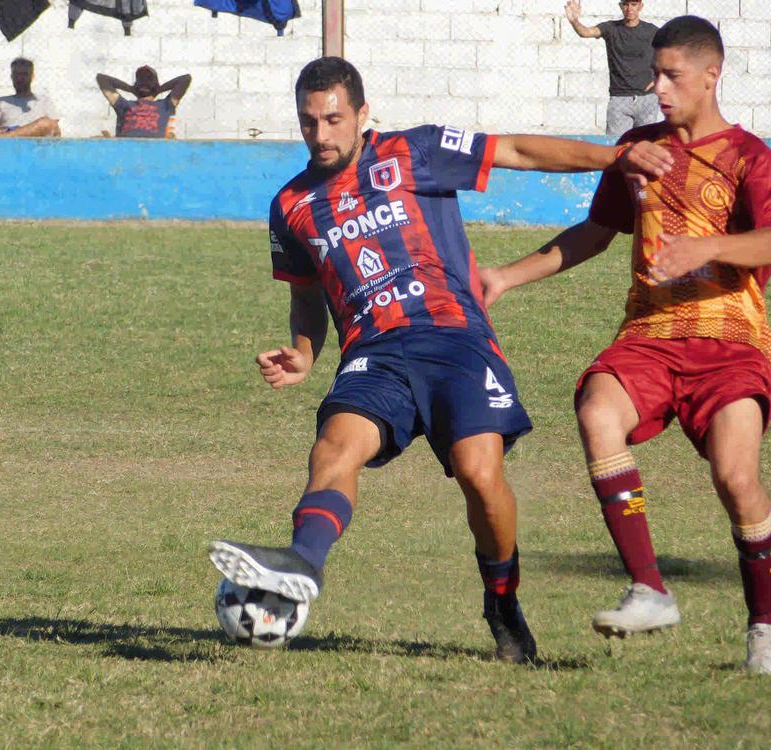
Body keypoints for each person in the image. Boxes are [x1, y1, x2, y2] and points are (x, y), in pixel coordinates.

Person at [207, 56, 670, 664]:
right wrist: (301, 353)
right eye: (308, 122)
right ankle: (303, 563)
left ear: (362, 114)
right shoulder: (290, 204)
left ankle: (502, 600)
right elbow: (305, 294)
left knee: (480, 476)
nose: (320, 134)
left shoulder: (415, 150)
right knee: (333, 449)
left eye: (333, 119)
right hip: (373, 353)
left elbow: (519, 153)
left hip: (455, 339)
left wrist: (614, 156)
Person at [479, 16, 771, 673]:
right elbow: (594, 232)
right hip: (648, 337)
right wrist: (506, 276)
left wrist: (711, 246)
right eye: (654, 73)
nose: (656, 85)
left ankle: (765, 626)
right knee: (596, 412)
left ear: (710, 76)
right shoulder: (637, 149)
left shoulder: (750, 156)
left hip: (730, 341)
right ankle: (649, 586)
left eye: (671, 75)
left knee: (737, 478)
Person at [565, 0, 659, 138]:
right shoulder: (610, 28)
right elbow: (585, 32)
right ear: (621, 6)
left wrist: (658, 79)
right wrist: (574, 21)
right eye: (626, 5)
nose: (629, 9)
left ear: (640, 6)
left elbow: (670, 51)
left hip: (647, 98)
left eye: (634, 4)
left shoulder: (652, 31)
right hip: (619, 99)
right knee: (615, 145)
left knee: (645, 146)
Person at [96, 66, 191, 138]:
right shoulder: (165, 106)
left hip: (125, 153)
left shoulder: (124, 106)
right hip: (154, 154)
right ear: (155, 87)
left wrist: (131, 89)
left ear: (136, 88)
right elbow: (186, 79)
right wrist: (158, 90)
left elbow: (102, 78)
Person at [0, 58, 61, 138]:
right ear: (11, 77)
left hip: (36, 147)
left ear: (32, 76)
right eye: (16, 74)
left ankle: (9, 137)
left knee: (45, 123)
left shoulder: (44, 101)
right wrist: (9, 130)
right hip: (7, 146)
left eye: (24, 74)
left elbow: (55, 130)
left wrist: (10, 133)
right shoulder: (1, 102)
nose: (20, 78)